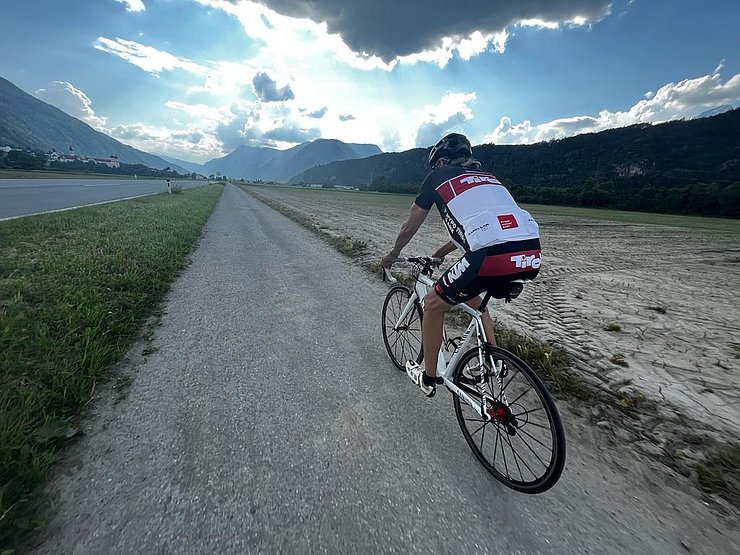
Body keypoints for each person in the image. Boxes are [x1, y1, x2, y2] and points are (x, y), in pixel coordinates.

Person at [381, 132, 541, 397]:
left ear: (441, 163)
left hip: (490, 253)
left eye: (436, 166)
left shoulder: (437, 178)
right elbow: (480, 226)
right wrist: (441, 252)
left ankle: (429, 378)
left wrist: (393, 254)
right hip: (529, 252)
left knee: (433, 303)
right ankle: (495, 363)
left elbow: (409, 227)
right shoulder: (489, 179)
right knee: (478, 302)